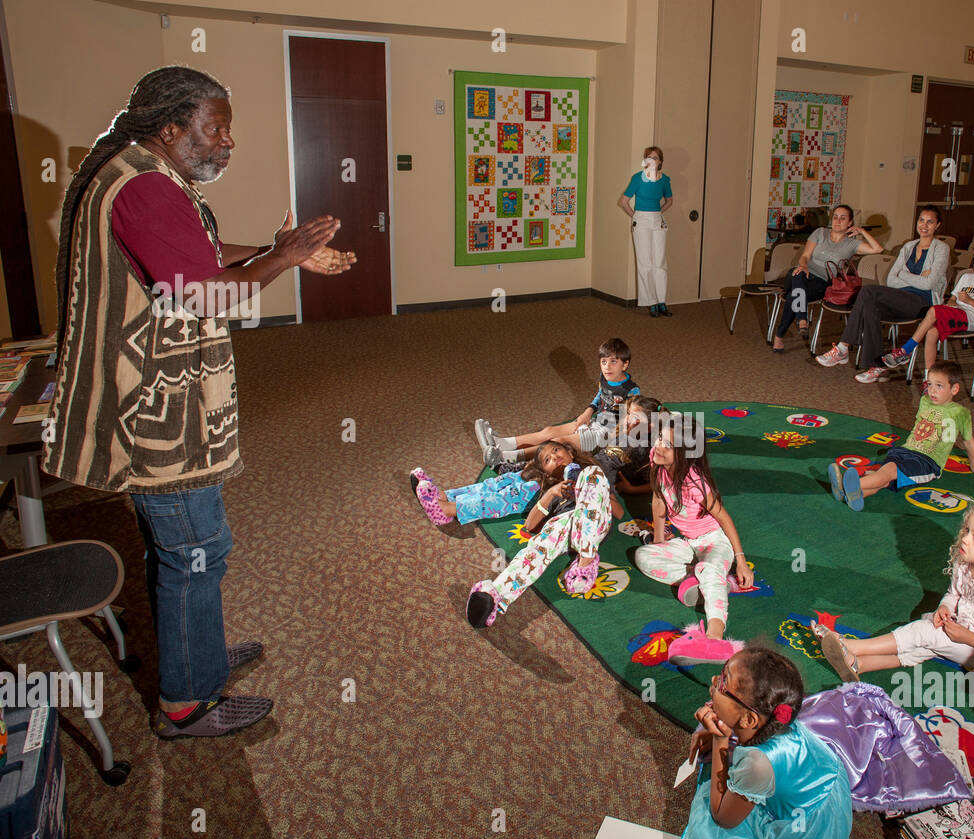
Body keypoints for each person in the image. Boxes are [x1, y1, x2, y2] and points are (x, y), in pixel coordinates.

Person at [43, 66, 355, 739]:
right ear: (170, 128)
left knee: (185, 548)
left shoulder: (137, 174)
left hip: (162, 401)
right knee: (196, 548)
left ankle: (199, 657)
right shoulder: (146, 189)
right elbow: (204, 292)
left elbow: (199, 256)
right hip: (158, 412)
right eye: (216, 128)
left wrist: (282, 252)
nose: (228, 142)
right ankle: (187, 702)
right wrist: (284, 257)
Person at [667, 647, 852, 839]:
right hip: (817, 786)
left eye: (723, 684)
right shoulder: (771, 721)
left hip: (806, 836)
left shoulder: (758, 764)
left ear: (748, 720)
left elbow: (723, 818)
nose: (714, 680)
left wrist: (719, 739)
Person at [816, 505, 974, 680]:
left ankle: (850, 646)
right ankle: (859, 665)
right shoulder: (964, 564)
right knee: (925, 645)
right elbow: (953, 593)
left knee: (925, 633)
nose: (965, 539)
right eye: (967, 531)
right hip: (960, 629)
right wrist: (944, 607)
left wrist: (968, 638)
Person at [418, 397, 659, 526]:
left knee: (518, 494)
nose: (630, 422)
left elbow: (660, 482)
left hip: (585, 483)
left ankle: (449, 510)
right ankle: (448, 495)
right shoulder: (621, 432)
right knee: (512, 478)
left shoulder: (650, 448)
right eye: (630, 416)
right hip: (577, 466)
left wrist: (632, 490)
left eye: (638, 419)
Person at [634, 414, 753, 642]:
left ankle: (715, 635)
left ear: (684, 453)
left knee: (709, 568)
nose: (658, 446)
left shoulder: (694, 482)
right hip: (688, 543)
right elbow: (658, 499)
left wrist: (741, 562)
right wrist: (659, 540)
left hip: (714, 540)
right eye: (659, 438)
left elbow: (725, 519)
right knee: (643, 556)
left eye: (668, 445)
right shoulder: (658, 463)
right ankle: (706, 579)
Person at [827, 361, 974, 510]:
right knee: (884, 478)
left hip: (928, 462)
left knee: (889, 472)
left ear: (954, 389)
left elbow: (968, 441)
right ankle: (856, 496)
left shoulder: (960, 412)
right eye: (930, 384)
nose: (932, 390)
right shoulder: (925, 401)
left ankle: (845, 486)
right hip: (904, 451)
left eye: (939, 386)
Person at [465, 463, 617, 626]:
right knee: (538, 550)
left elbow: (618, 511)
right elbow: (530, 525)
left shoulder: (593, 473)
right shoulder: (554, 492)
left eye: (557, 450)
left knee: (592, 472)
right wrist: (551, 493)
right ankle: (495, 596)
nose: (555, 458)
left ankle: (586, 560)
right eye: (547, 459)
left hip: (595, 523)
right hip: (562, 527)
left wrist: (585, 495)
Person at [816, 205, 950, 383]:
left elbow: (929, 283)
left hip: (922, 303)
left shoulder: (941, 248)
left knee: (868, 291)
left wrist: (902, 274)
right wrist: (913, 277)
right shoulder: (908, 247)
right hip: (898, 298)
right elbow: (891, 281)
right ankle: (877, 366)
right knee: (870, 307)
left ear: (937, 225)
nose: (924, 225)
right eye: (921, 220)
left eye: (930, 222)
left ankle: (843, 347)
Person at [475, 337, 639, 460]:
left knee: (557, 442)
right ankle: (503, 443)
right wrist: (588, 412)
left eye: (613, 362)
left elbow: (631, 423)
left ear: (625, 365)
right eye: (603, 362)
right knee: (548, 431)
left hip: (605, 435)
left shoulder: (631, 390)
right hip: (596, 421)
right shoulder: (606, 379)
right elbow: (600, 395)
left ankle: (505, 457)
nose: (607, 367)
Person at [881, 237, 974, 377]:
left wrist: (970, 301)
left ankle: (905, 350)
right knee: (932, 331)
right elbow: (953, 298)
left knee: (933, 310)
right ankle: (929, 378)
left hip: (971, 318)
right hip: (955, 313)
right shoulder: (966, 277)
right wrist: (952, 303)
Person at [770, 204, 882, 352]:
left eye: (843, 218)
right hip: (802, 273)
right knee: (797, 274)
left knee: (794, 295)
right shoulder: (820, 233)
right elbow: (804, 256)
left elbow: (878, 249)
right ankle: (801, 319)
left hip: (821, 282)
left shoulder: (852, 244)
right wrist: (803, 266)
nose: (837, 221)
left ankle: (780, 336)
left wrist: (861, 231)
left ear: (850, 223)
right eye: (835, 217)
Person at [618, 146, 673, 316]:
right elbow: (623, 202)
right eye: (649, 157)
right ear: (645, 161)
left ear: (660, 161)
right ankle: (651, 302)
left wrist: (658, 213)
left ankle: (661, 300)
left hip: (657, 220)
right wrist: (636, 216)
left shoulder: (665, 180)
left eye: (655, 157)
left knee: (659, 262)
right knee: (645, 263)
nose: (652, 160)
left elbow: (669, 201)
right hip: (641, 221)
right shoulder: (637, 178)